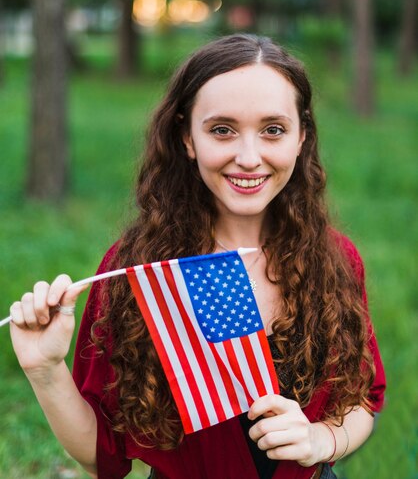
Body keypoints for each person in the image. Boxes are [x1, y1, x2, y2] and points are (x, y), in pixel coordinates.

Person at [9, 34, 385, 479]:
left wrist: (323, 439)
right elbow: (103, 455)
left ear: (301, 137)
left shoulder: (335, 259)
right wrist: (46, 370)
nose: (249, 157)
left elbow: (362, 398)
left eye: (273, 130)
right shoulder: (138, 271)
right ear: (187, 138)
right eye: (222, 130)